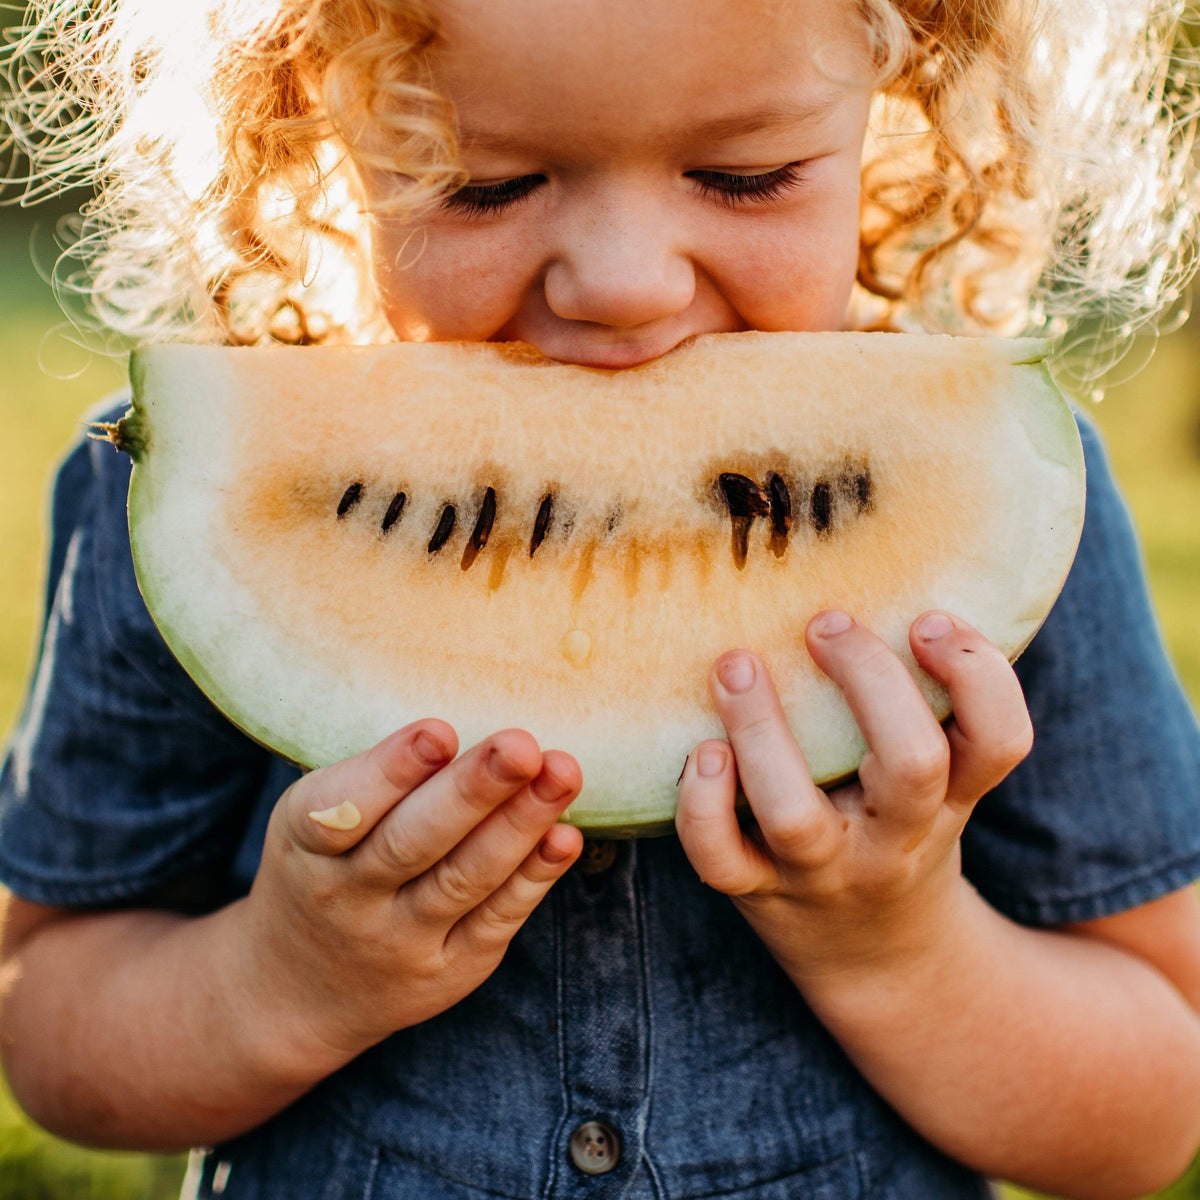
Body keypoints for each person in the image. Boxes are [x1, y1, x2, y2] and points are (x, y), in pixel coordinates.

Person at [2, 1, 1200, 1197]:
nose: (623, 284)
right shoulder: (201, 502)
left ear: (894, 105)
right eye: (484, 185)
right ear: (317, 127)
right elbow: (47, 1022)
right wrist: (279, 980)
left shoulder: (1011, 501)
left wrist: (900, 947)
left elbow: (1150, 1116)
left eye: (746, 176)